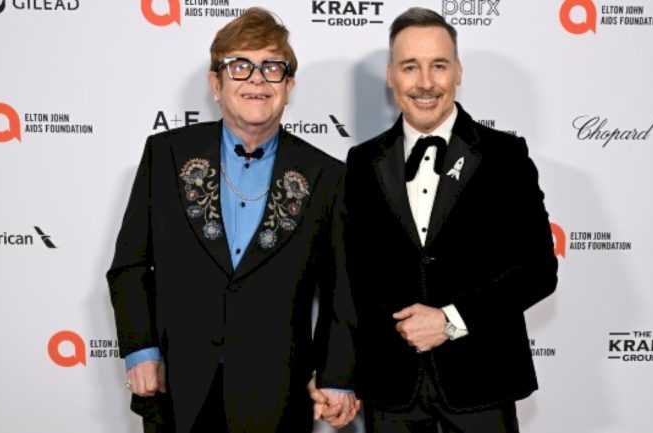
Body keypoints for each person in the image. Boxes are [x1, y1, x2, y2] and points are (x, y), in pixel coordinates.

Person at [107, 8, 357, 433]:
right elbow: (130, 266)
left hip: (277, 397)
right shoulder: (165, 156)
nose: (256, 80)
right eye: (240, 66)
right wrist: (141, 350)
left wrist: (337, 376)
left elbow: (342, 292)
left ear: (288, 85)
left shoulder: (326, 176)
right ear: (215, 83)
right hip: (176, 388)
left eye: (272, 67)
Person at [338, 7, 558, 433]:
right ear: (390, 75)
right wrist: (338, 375)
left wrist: (450, 320)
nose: (424, 83)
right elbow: (350, 280)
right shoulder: (361, 161)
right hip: (390, 389)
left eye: (438, 65)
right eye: (410, 67)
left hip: (482, 383)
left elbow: (538, 272)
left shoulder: (505, 157)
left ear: (458, 71)